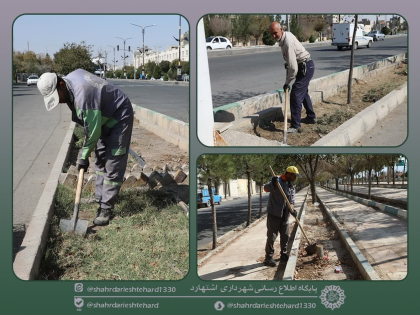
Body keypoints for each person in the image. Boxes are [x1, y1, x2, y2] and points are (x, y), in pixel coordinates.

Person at [37, 69, 134, 226]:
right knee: (100, 157)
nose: (59, 101)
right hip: (102, 114)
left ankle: (106, 208)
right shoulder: (70, 81)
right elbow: (91, 127)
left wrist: (83, 157)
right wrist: (86, 152)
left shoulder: (83, 96)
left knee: (113, 160)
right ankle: (100, 197)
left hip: (119, 115)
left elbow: (93, 132)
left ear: (61, 85)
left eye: (57, 97)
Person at [269, 22, 317, 134]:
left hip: (305, 67)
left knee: (295, 94)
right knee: (303, 92)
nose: (273, 36)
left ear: (281, 29)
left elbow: (293, 68)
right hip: (305, 65)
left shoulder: (287, 42)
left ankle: (295, 125)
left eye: (275, 33)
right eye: (271, 34)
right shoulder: (285, 37)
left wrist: (287, 82)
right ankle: (311, 117)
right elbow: (292, 61)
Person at [263, 166, 301, 267]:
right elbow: (266, 189)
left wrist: (293, 210)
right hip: (274, 214)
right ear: (288, 174)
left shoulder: (291, 185)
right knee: (272, 237)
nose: (295, 178)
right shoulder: (276, 180)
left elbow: (291, 200)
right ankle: (268, 258)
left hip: (285, 215)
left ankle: (283, 254)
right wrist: (273, 183)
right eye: (294, 176)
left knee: (285, 236)